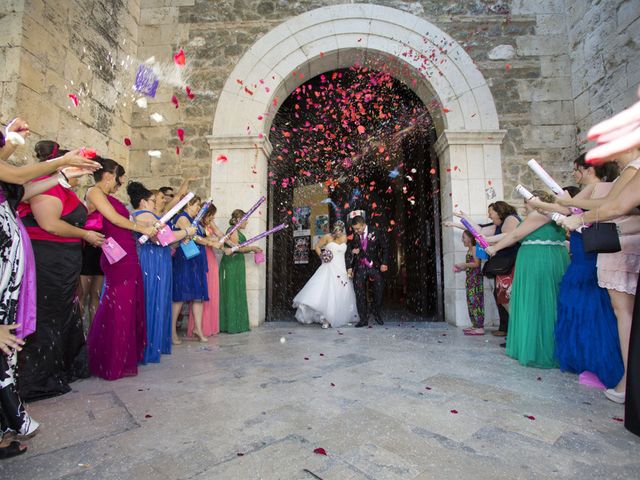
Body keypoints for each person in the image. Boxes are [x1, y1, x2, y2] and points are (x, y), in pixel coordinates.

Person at [0, 119, 101, 457]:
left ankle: (4, 425)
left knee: (12, 342)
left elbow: (21, 190)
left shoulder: (17, 179)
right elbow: (18, 181)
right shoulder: (11, 172)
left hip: (17, 264)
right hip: (24, 261)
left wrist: (59, 175)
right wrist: (60, 164)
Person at [17, 141, 104, 401]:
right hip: (47, 259)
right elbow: (50, 224)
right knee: (47, 314)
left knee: (63, 312)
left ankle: (61, 366)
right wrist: (85, 233)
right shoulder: (45, 183)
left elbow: (69, 216)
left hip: (64, 260)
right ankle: (37, 378)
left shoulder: (63, 189)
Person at [528, 156, 623, 388]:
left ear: (589, 169)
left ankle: (596, 363)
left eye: (576, 169)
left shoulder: (596, 187)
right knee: (598, 309)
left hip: (587, 258)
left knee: (586, 310)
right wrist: (542, 205)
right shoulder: (609, 186)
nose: (574, 174)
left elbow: (568, 208)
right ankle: (591, 362)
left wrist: (545, 204)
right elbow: (566, 209)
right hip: (589, 254)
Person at [560, 148, 640, 404]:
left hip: (619, 245)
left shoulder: (633, 169)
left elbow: (614, 206)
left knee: (622, 312)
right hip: (618, 242)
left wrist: (578, 216)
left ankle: (628, 381)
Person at [85, 157, 157, 380]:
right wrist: (141, 227)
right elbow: (114, 219)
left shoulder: (109, 196)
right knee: (117, 303)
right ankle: (110, 358)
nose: (119, 180)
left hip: (128, 251)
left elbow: (121, 219)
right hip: (116, 256)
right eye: (118, 175)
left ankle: (125, 355)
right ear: (109, 174)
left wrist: (147, 227)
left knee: (128, 302)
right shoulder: (93, 192)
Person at [486, 191, 569, 368]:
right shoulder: (552, 214)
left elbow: (515, 235)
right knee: (547, 301)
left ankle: (540, 349)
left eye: (526, 202)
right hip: (545, 258)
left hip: (538, 260)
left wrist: (495, 249)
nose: (524, 206)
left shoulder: (540, 213)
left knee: (538, 302)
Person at [128, 182, 194, 362]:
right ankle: (148, 345)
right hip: (153, 262)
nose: (155, 204)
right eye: (152, 200)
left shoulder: (136, 215)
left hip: (150, 259)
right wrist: (187, 231)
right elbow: (163, 239)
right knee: (153, 299)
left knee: (149, 299)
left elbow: (168, 241)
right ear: (143, 202)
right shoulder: (146, 216)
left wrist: (181, 239)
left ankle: (146, 343)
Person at [455, 202, 520, 338]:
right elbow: (478, 230)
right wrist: (464, 218)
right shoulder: (497, 225)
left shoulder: (510, 219)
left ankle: (515, 331)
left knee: (506, 298)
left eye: (491, 212)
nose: (489, 215)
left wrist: (489, 242)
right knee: (502, 297)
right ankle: (509, 330)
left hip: (509, 264)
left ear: (499, 211)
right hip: (503, 266)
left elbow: (511, 235)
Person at [171, 196, 220, 343]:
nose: (199, 209)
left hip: (197, 260)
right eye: (197, 206)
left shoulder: (196, 222)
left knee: (198, 296)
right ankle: (172, 331)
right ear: (188, 204)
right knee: (180, 296)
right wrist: (209, 241)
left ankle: (198, 329)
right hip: (185, 260)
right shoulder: (182, 217)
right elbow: (193, 236)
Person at [293, 220, 358, 328]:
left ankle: (338, 316)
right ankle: (326, 318)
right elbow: (317, 246)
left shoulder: (345, 238)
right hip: (329, 266)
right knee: (328, 291)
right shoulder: (327, 237)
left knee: (341, 292)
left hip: (341, 268)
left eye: (340, 231)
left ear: (342, 231)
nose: (337, 233)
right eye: (336, 231)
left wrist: (349, 266)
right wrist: (322, 256)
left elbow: (346, 254)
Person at [219, 209, 262, 334]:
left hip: (236, 263)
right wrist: (252, 248)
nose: (247, 222)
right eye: (245, 219)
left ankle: (236, 322)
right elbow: (237, 248)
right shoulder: (232, 231)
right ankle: (232, 324)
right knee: (232, 291)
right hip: (232, 263)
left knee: (236, 290)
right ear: (238, 220)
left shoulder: (235, 231)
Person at [187, 205, 225, 338]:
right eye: (211, 215)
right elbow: (195, 239)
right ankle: (199, 326)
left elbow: (221, 235)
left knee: (212, 289)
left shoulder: (210, 224)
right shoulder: (195, 224)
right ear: (206, 213)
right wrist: (210, 241)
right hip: (201, 256)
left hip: (211, 256)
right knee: (204, 290)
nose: (213, 217)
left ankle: (210, 325)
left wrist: (223, 239)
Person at [346, 215, 389, 328]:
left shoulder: (376, 231)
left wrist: (384, 263)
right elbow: (348, 250)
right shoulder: (354, 235)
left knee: (379, 289)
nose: (356, 231)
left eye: (357, 229)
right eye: (354, 229)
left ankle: (376, 312)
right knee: (359, 293)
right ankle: (363, 318)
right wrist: (351, 257)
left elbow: (385, 248)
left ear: (363, 224)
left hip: (374, 265)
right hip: (360, 266)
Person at [453, 230, 484, 335]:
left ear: (470, 239)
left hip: (475, 281)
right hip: (470, 279)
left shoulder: (475, 248)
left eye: (464, 237)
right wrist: (462, 267)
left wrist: (464, 264)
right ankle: (475, 325)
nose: (462, 240)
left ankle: (479, 327)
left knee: (476, 302)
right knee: (471, 302)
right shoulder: (470, 250)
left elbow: (476, 264)